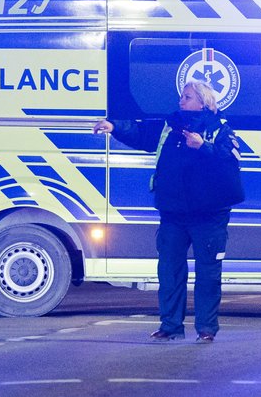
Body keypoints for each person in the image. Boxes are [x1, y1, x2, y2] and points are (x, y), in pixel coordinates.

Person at [93, 79, 244, 342]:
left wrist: (203, 147)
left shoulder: (220, 129)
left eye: (187, 97)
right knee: (169, 271)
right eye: (182, 96)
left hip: (209, 215)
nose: (181, 101)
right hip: (173, 212)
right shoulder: (170, 125)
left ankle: (206, 329)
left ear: (203, 102)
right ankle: (171, 325)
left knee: (208, 274)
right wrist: (114, 127)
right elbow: (141, 133)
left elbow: (230, 162)